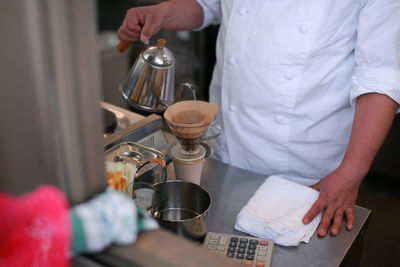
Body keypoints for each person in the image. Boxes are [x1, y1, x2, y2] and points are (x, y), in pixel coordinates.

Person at [117, 0, 400, 238]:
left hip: (301, 171)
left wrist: (351, 173)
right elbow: (209, 6)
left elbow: (380, 80)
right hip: (223, 149)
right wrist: (162, 12)